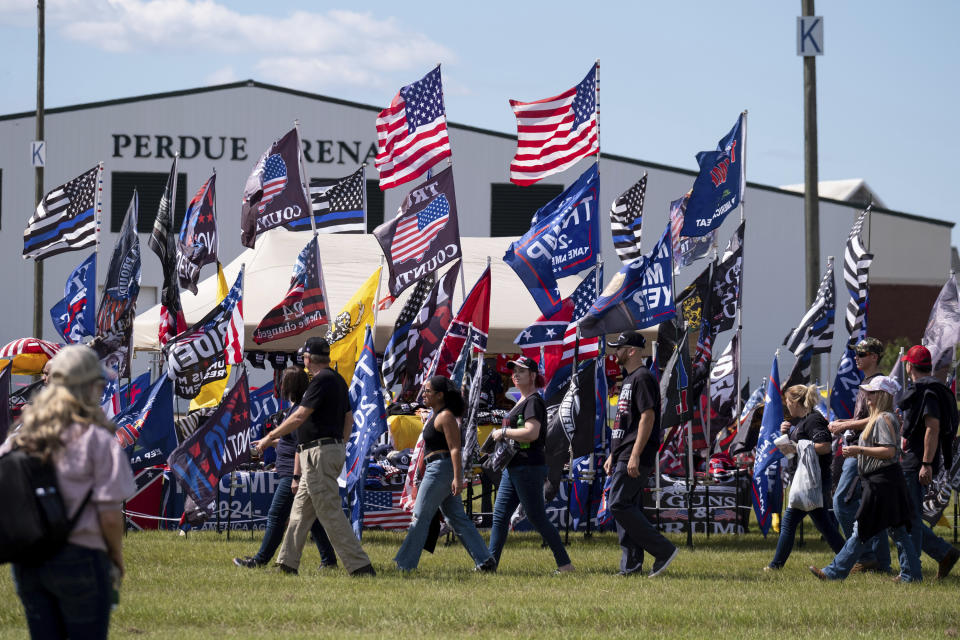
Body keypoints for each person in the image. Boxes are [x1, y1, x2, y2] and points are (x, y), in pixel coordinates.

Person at [2, 345, 135, 639]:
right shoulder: (97, 440)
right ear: (88, 387)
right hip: (83, 558)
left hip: (30, 561)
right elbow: (111, 516)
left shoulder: (22, 436)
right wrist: (116, 558)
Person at [254, 337, 375, 577]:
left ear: (308, 358)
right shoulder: (337, 380)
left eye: (304, 358)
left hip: (319, 453)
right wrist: (341, 441)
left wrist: (269, 437)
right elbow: (348, 417)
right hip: (320, 452)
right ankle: (286, 564)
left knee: (330, 512)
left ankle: (360, 566)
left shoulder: (321, 380)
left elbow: (299, 416)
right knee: (299, 512)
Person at [809, 376, 921, 581]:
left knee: (861, 529)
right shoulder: (882, 418)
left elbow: (888, 451)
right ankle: (911, 574)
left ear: (881, 395)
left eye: (871, 393)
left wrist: (858, 450)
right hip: (883, 480)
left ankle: (834, 573)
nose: (866, 396)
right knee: (898, 530)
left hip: (882, 481)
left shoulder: (883, 419)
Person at [234, 367, 337, 570]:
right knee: (312, 519)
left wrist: (296, 477)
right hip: (291, 470)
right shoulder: (296, 408)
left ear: (289, 385)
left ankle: (260, 560)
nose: (280, 386)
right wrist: (270, 443)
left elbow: (301, 445)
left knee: (276, 515)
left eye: (282, 382)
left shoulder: (300, 409)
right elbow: (291, 441)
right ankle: (329, 561)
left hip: (293, 471)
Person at [394, 376, 496, 572]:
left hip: (440, 469)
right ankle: (485, 561)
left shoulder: (446, 417)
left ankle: (404, 565)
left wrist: (458, 478)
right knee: (455, 518)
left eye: (428, 391)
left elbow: (455, 449)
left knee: (420, 516)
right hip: (438, 468)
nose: (424, 394)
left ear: (440, 395)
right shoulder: (437, 415)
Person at [487, 356, 574, 574]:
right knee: (500, 517)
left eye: (521, 371)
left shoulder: (534, 401)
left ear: (533, 376)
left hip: (528, 467)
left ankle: (565, 565)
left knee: (536, 517)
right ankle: (489, 565)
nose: (515, 375)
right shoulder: (522, 400)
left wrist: (503, 432)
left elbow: (532, 433)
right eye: (514, 371)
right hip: (513, 466)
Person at [604, 331, 678, 577]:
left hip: (635, 454)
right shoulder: (628, 380)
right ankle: (631, 565)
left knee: (618, 504)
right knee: (628, 505)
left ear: (632, 350)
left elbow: (648, 417)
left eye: (620, 347)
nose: (616, 352)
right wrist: (613, 454)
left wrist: (634, 454)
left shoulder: (643, 378)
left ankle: (663, 549)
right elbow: (626, 423)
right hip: (623, 452)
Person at [826, 336, 890, 573]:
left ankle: (865, 555)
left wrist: (845, 427)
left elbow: (879, 416)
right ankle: (882, 564)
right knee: (872, 508)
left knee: (841, 503)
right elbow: (865, 417)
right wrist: (845, 422)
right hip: (860, 449)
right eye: (856, 354)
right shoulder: (867, 382)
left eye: (861, 354)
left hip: (863, 452)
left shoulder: (880, 382)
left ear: (874, 357)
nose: (856, 358)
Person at [897, 345, 960, 579]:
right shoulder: (932, 389)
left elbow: (932, 428)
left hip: (916, 462)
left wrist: (926, 463)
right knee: (907, 515)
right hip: (917, 460)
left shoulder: (928, 391)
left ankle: (911, 572)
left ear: (909, 366)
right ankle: (943, 554)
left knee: (907, 517)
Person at [767, 384, 845, 570]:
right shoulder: (802, 421)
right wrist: (788, 434)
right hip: (807, 480)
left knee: (790, 523)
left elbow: (824, 446)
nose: (787, 407)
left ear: (795, 402)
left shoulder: (814, 420)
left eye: (788, 403)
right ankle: (848, 559)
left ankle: (775, 566)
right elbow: (801, 444)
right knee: (824, 525)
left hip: (813, 481)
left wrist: (797, 446)